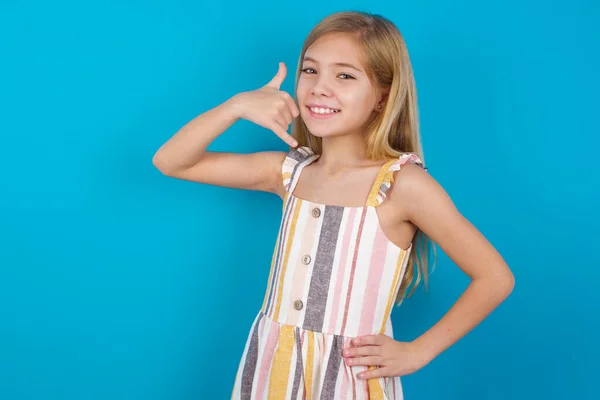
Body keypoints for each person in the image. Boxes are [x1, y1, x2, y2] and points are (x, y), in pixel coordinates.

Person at [152, 10, 515, 400]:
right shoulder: (289, 172)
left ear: (383, 96)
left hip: (349, 379)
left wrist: (417, 351)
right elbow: (171, 161)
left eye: (345, 75)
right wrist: (237, 106)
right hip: (273, 369)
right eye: (310, 71)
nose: (319, 88)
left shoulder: (403, 185)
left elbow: (495, 277)